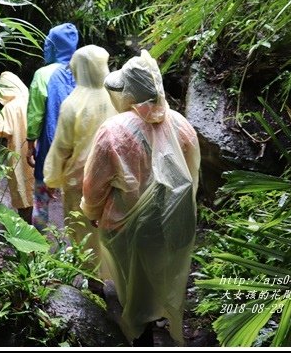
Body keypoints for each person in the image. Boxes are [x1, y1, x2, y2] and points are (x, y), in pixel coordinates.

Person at [81, 50, 201, 347]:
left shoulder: (114, 132)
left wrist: (92, 212)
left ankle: (141, 331)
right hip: (173, 223)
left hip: (129, 227)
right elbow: (191, 175)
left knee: (132, 281)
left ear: (129, 94)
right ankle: (157, 314)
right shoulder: (181, 125)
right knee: (159, 273)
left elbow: (94, 185)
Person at [43, 45, 117, 280]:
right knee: (111, 225)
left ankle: (92, 279)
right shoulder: (118, 97)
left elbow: (62, 147)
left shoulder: (73, 103)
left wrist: (52, 178)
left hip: (80, 179)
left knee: (82, 228)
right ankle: (115, 275)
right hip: (115, 176)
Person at [26, 23, 79, 231]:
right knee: (75, 198)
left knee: (41, 198)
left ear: (55, 46)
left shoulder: (43, 74)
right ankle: (77, 248)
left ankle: (38, 245)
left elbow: (35, 113)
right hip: (78, 146)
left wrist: (30, 143)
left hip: (50, 145)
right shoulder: (83, 70)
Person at [0, 72, 35, 224]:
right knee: (34, 186)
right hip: (34, 152)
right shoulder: (30, 100)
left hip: (18, 152)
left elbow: (2, 131)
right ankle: (39, 228)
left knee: (21, 186)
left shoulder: (10, 107)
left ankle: (25, 226)